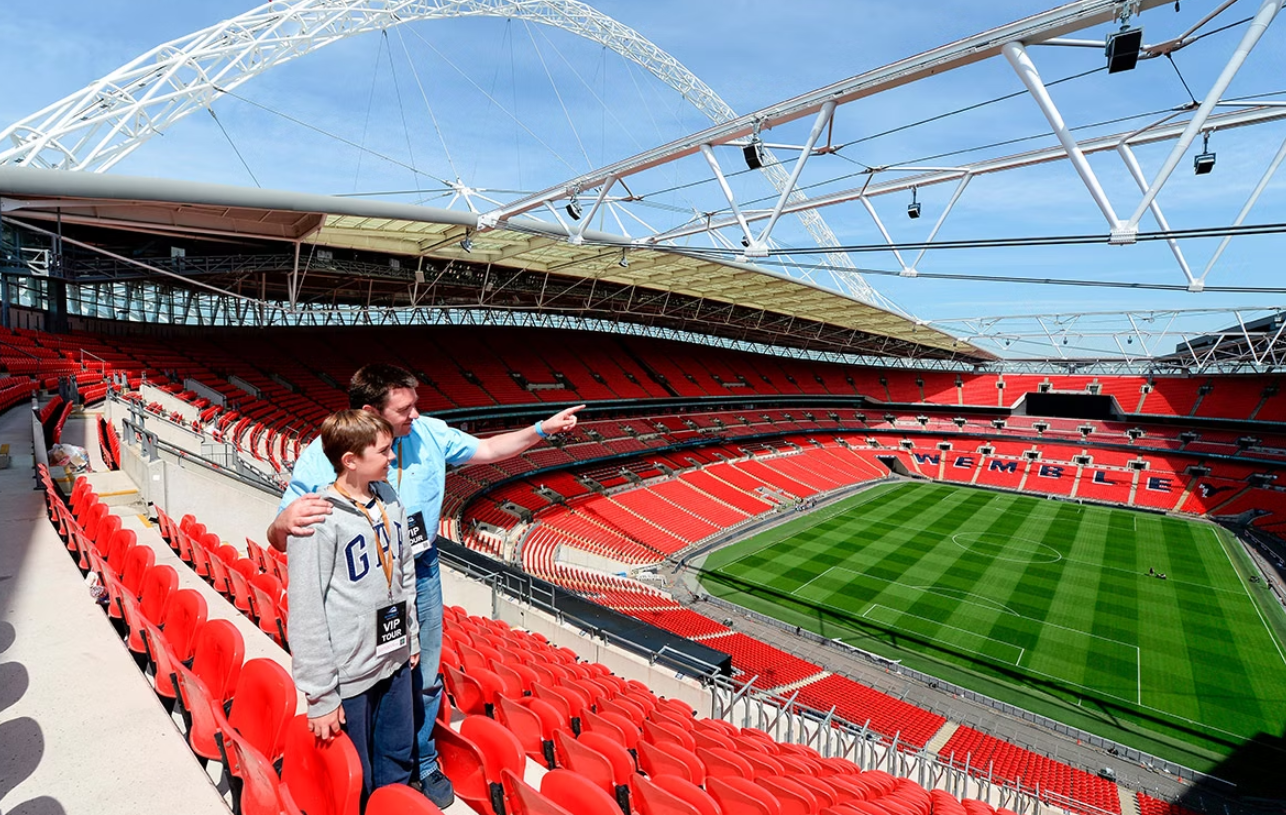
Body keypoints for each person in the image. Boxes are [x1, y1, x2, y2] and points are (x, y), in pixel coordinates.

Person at [269, 364, 582, 808]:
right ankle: (362, 780)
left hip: (417, 570)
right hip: (364, 581)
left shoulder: (429, 433)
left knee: (423, 674)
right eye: (404, 409)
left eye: (415, 404)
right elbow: (285, 531)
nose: (416, 415)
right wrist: (282, 522)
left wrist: (541, 429)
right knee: (368, 680)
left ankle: (420, 760)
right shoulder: (326, 452)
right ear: (369, 414)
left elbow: (489, 448)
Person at [287, 410, 418, 803]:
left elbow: (406, 571)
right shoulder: (317, 518)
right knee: (354, 777)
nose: (392, 457)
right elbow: (306, 609)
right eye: (383, 451)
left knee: (396, 760)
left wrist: (410, 637)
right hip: (350, 674)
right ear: (350, 460)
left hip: (393, 658)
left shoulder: (389, 497)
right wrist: (320, 696)